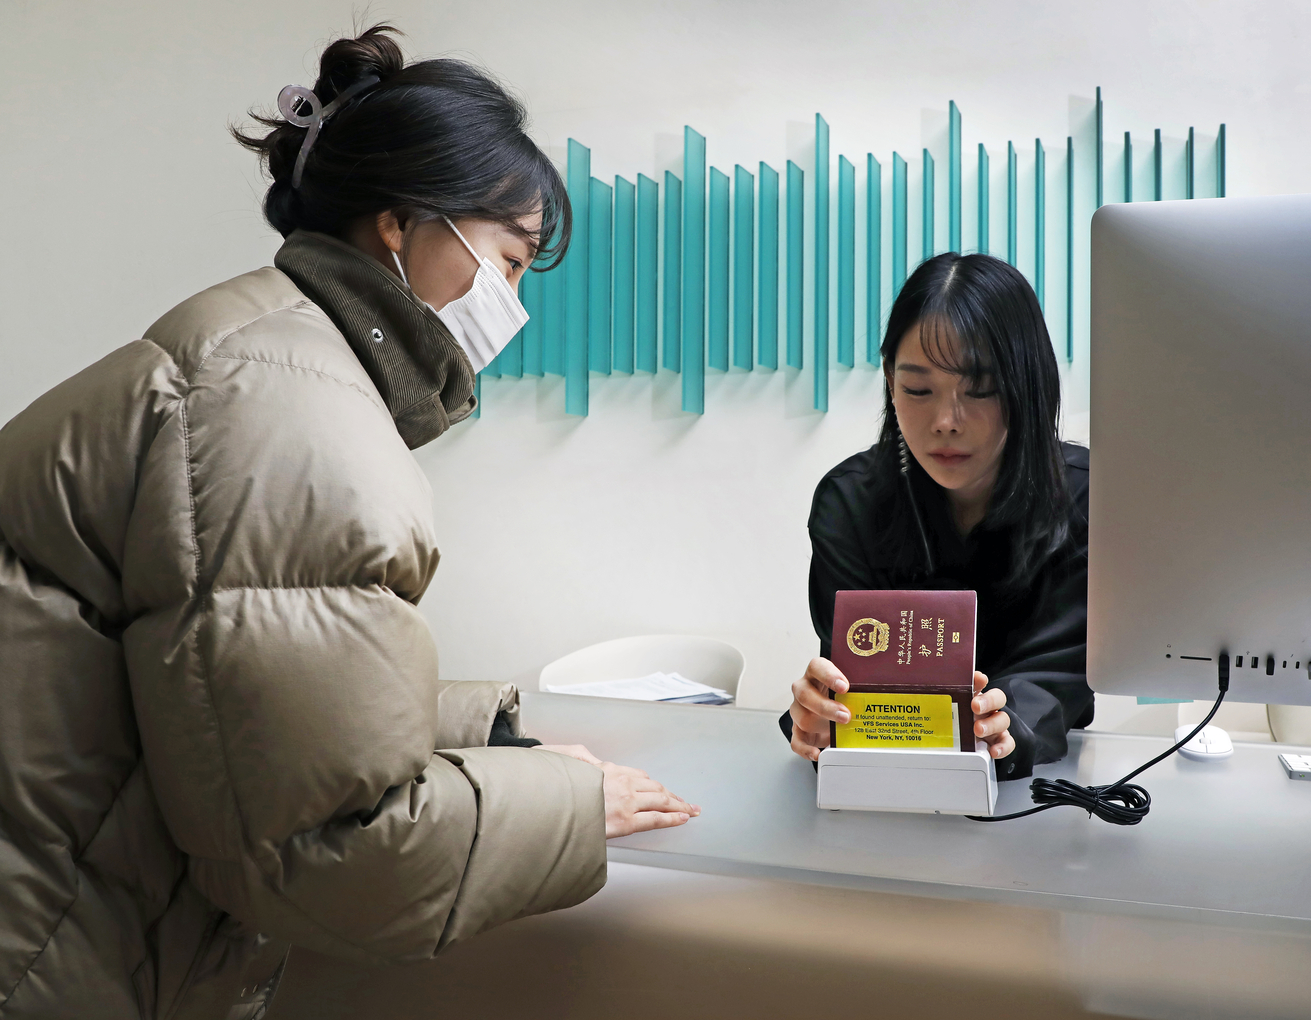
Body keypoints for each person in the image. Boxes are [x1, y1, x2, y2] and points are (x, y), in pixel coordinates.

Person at [0, 26, 696, 1020]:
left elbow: (217, 691)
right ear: (401, 224)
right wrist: (574, 807)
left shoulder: (257, 350)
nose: (510, 302)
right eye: (506, 260)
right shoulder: (293, 417)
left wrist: (483, 733)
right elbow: (327, 858)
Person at [782, 252, 1092, 780]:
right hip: (886, 782)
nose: (946, 422)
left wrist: (1003, 726)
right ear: (889, 380)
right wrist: (819, 716)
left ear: (1027, 383)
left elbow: (1057, 676)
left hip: (1044, 786)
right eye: (918, 390)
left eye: (980, 389)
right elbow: (854, 675)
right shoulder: (850, 502)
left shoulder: (1086, 499)